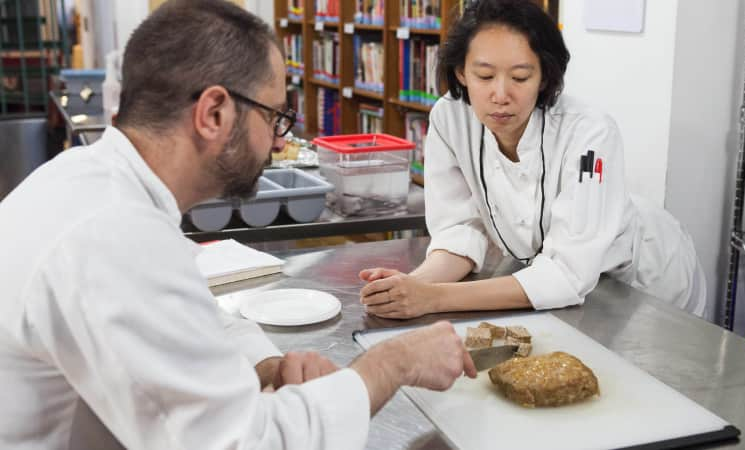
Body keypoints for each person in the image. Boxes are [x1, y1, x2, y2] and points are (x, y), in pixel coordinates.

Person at [0, 1, 476, 449]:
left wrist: (265, 366)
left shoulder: (93, 182)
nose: (277, 140)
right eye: (275, 116)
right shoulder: (110, 234)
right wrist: (392, 364)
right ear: (213, 113)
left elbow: (188, 314)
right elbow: (243, 442)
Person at [359, 0, 707, 320]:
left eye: (521, 77)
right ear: (461, 72)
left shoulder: (589, 135)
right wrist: (411, 287)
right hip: (560, 281)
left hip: (642, 283)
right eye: (484, 76)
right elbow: (461, 230)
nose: (500, 95)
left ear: (544, 77)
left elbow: (568, 273)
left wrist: (434, 299)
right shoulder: (449, 119)